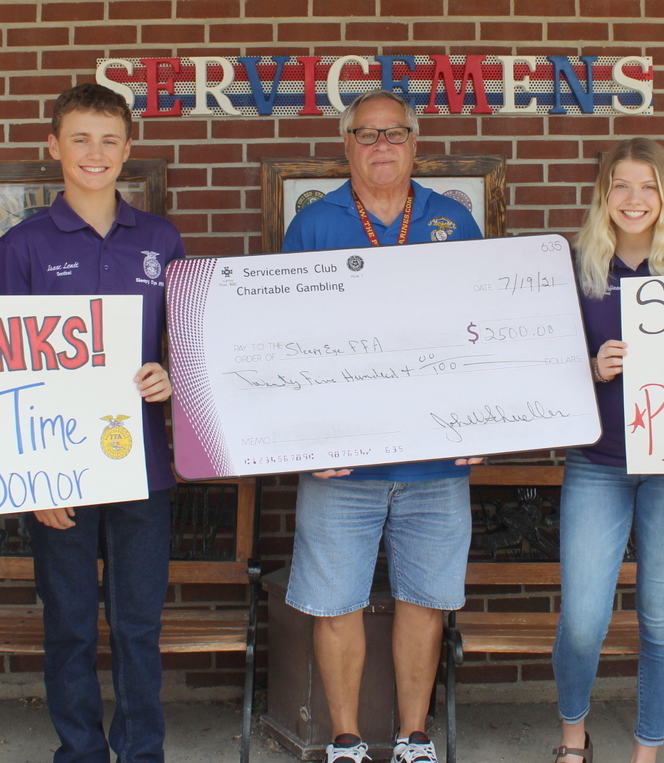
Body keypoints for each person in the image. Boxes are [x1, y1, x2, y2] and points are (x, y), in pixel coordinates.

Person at [281, 89, 482, 763]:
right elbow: (287, 341)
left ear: (414, 141)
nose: (382, 146)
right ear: (347, 144)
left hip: (434, 457)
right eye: (367, 135)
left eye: (394, 133)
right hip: (343, 459)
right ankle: (345, 738)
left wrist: (479, 419)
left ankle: (413, 735)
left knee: (424, 599)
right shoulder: (313, 225)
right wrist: (308, 435)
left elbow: (478, 334)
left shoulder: (453, 220)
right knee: (336, 602)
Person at [0, 83, 183, 763]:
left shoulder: (161, 239)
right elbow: (3, 373)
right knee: (69, 625)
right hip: (57, 473)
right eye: (79, 139)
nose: (94, 154)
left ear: (129, 148)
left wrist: (168, 374)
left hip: (143, 471)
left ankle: (141, 751)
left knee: (137, 626)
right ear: (54, 147)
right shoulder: (22, 245)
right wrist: (32, 479)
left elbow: (182, 348)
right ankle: (78, 751)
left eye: (108, 140)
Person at [553, 138, 664, 763]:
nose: (634, 199)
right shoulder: (574, 267)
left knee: (660, 617)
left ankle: (646, 750)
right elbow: (540, 369)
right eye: (621, 185)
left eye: (648, 186)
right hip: (600, 462)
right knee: (581, 619)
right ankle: (573, 740)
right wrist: (590, 368)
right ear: (603, 194)